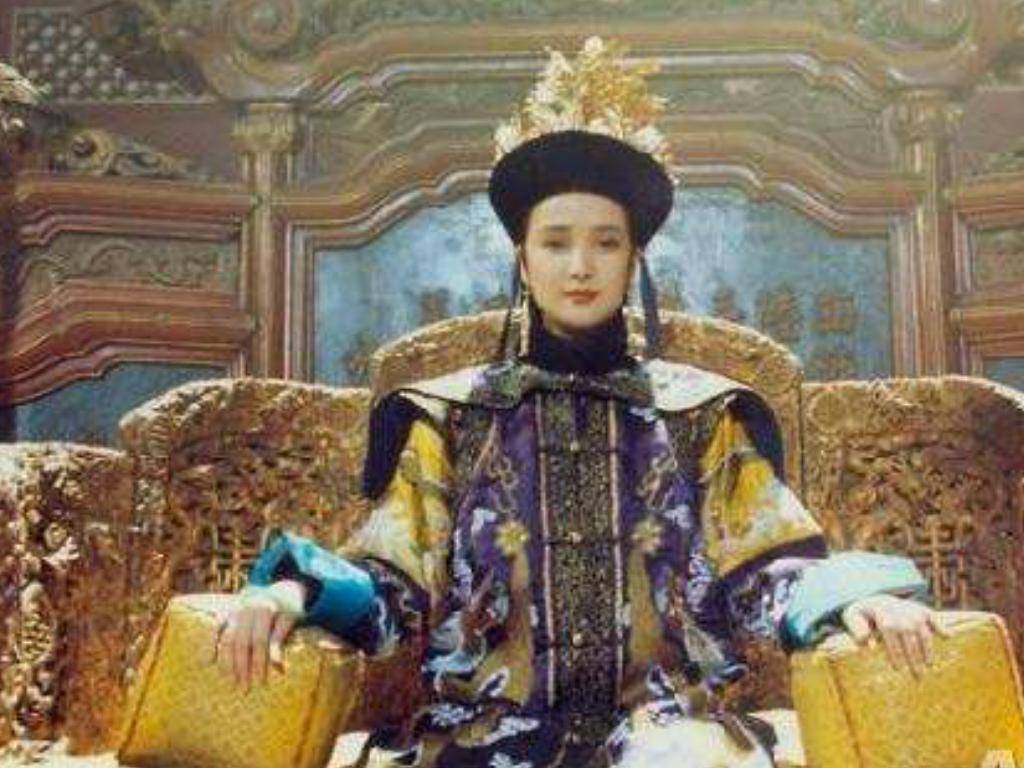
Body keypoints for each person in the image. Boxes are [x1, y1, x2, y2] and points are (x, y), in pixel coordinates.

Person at [212, 37, 946, 768]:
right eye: (557, 243)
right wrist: (290, 594)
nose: (581, 266)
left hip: (666, 729)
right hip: (486, 730)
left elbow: (770, 566)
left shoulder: (698, 416)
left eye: (606, 243)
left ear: (634, 260)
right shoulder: (456, 417)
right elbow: (391, 582)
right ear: (524, 260)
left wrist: (852, 600)